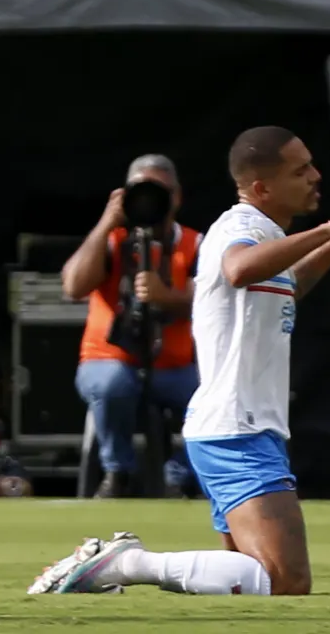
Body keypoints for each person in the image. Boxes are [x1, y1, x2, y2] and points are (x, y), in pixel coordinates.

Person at [30, 126, 330, 596]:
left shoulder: (265, 233)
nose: (315, 175)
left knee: (251, 578)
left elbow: (285, 285)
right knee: (285, 580)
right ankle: (127, 563)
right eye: (300, 169)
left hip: (237, 426)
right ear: (262, 188)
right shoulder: (240, 227)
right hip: (237, 430)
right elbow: (240, 268)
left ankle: (128, 564)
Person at [61, 154, 200, 498]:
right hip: (110, 359)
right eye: (141, 191)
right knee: (112, 385)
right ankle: (117, 473)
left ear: (177, 197)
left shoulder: (195, 244)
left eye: (159, 191)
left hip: (175, 366)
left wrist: (166, 297)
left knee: (219, 398)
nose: (150, 199)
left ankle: (179, 478)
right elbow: (74, 286)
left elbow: (214, 301)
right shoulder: (112, 239)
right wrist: (106, 223)